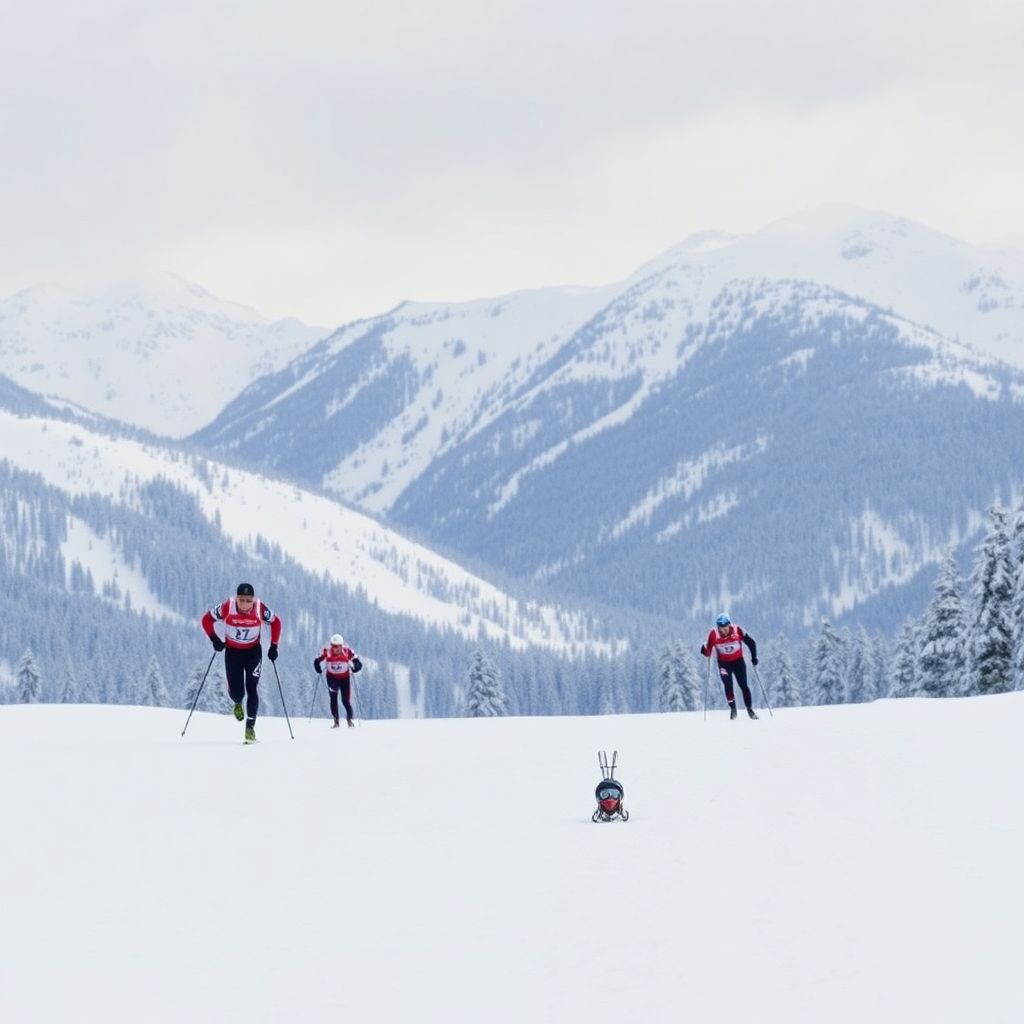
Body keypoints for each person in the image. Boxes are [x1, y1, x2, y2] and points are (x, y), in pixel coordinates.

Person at [201, 583, 282, 743]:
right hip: (233, 654)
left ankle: (250, 728)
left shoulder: (260, 608)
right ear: (236, 598)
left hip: (253, 653)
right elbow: (206, 620)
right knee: (238, 693)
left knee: (252, 687)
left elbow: (276, 622)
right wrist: (215, 639)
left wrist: (274, 646)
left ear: (253, 600)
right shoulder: (227, 607)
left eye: (248, 600)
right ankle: (238, 702)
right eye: (241, 600)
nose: (245, 604)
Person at [700, 613, 759, 720]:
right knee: (728, 685)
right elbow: (707, 651)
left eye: (726, 627)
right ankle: (733, 710)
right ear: (718, 627)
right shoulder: (714, 634)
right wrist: (704, 649)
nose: (724, 630)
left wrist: (754, 657)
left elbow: (751, 643)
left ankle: (750, 710)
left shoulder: (737, 630)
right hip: (723, 663)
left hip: (738, 662)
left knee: (743, 685)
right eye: (721, 628)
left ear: (729, 624)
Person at [313, 634, 362, 728]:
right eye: (334, 646)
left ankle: (349, 720)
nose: (336, 649)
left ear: (341, 645)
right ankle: (336, 722)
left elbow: (356, 660)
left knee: (345, 701)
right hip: (332, 677)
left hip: (345, 678)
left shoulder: (347, 651)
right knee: (333, 697)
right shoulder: (327, 651)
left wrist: (357, 665)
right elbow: (317, 659)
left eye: (338, 646)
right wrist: (317, 665)